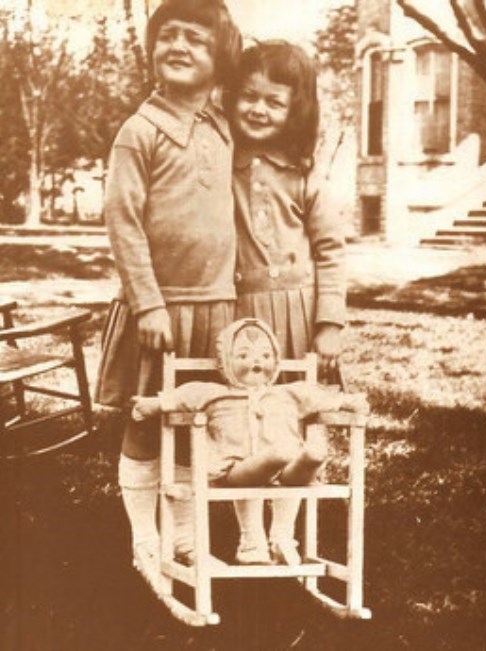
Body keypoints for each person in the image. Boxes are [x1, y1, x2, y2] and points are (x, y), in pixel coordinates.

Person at [94, 0, 241, 588]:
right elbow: (122, 222)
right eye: (168, 36)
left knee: (196, 418)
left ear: (219, 58)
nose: (178, 47)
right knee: (146, 418)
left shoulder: (222, 126)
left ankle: (183, 536)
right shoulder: (140, 131)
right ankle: (144, 538)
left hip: (215, 305)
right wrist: (148, 301)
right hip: (159, 307)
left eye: (196, 40)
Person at [224, 40, 347, 564]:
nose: (258, 109)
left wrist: (329, 322)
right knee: (243, 424)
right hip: (242, 319)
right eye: (248, 96)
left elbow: (331, 250)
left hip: (296, 318)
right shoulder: (220, 162)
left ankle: (285, 531)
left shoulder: (303, 171)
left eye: (274, 101)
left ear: (294, 109)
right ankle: (249, 534)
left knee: (296, 428)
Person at [132, 319, 367, 563]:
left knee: (308, 459)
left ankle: (282, 536)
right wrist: (153, 404)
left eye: (265, 355)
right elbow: (182, 397)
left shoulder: (287, 392)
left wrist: (349, 402)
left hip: (286, 472)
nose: (256, 361)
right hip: (237, 469)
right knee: (279, 454)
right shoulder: (214, 393)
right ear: (225, 363)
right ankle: (252, 543)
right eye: (244, 355)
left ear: (275, 361)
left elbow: (319, 397)